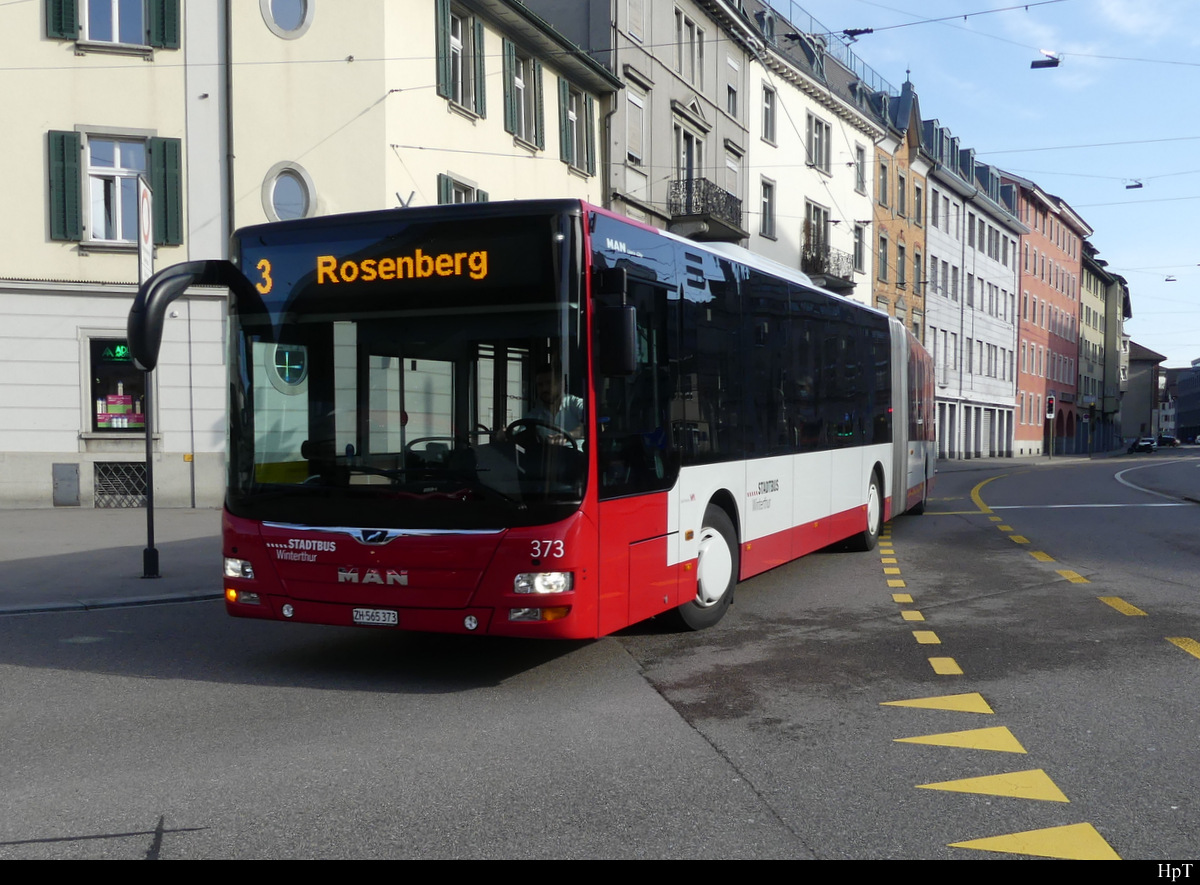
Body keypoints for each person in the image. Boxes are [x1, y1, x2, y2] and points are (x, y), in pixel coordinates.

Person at [511, 365, 584, 444]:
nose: (544, 388)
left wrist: (569, 435)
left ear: (561, 384)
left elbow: (591, 425)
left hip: (576, 451)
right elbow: (520, 435)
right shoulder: (534, 415)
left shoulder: (576, 404)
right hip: (548, 452)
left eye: (549, 383)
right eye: (540, 385)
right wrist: (508, 435)